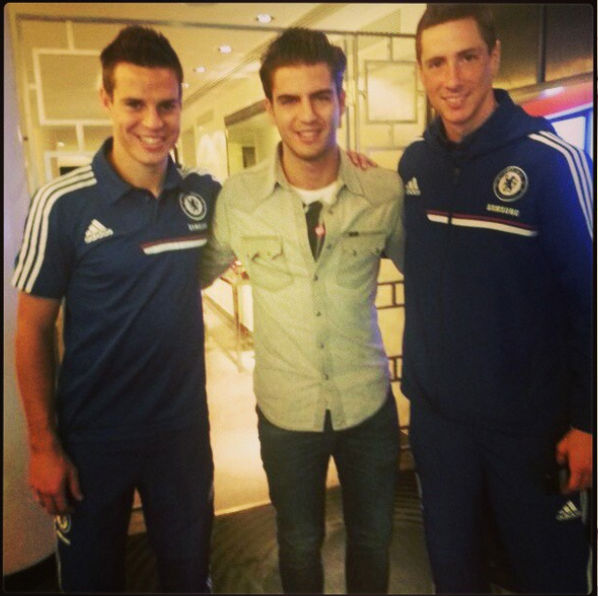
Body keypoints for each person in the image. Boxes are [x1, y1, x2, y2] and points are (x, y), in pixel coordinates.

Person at [12, 25, 220, 593]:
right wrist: (42, 446)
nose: (153, 121)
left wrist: (346, 162)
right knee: (90, 581)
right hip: (91, 438)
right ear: (106, 99)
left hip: (181, 433)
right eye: (134, 104)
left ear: (181, 102)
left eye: (166, 105)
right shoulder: (62, 204)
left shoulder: (203, 195)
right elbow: (31, 330)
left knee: (188, 576)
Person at [396, 4, 593, 593]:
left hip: (530, 431)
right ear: (421, 71)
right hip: (440, 429)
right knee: (453, 574)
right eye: (436, 63)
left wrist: (589, 420)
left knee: (550, 576)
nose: (452, 78)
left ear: (495, 57)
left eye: (467, 57)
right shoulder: (415, 164)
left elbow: (590, 301)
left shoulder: (551, 161)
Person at [200, 27, 405, 594]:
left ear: (343, 99)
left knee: (373, 540)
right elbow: (189, 275)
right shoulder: (238, 200)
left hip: (368, 405)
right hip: (286, 412)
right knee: (297, 543)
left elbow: (436, 280)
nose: (307, 115)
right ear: (269, 108)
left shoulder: (383, 192)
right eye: (289, 99)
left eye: (321, 96)